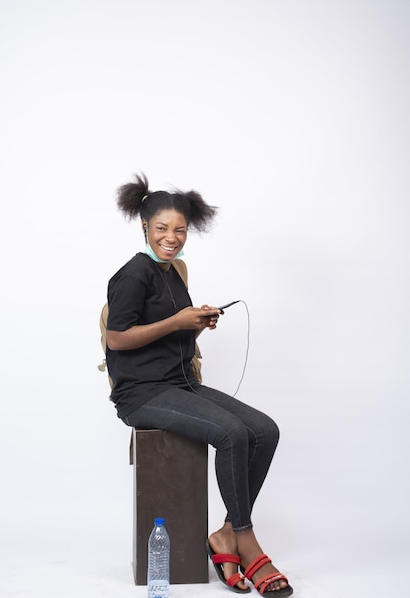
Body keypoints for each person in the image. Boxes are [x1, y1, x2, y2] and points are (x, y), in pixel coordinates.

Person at [105, 173, 293, 597]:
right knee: (230, 434)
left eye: (180, 230)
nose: (171, 237)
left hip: (178, 383)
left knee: (265, 430)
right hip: (142, 394)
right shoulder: (133, 274)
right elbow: (118, 338)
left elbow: (171, 339)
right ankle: (245, 538)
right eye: (161, 229)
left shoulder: (173, 273)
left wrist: (197, 325)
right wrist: (177, 321)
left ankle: (226, 533)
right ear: (144, 227)